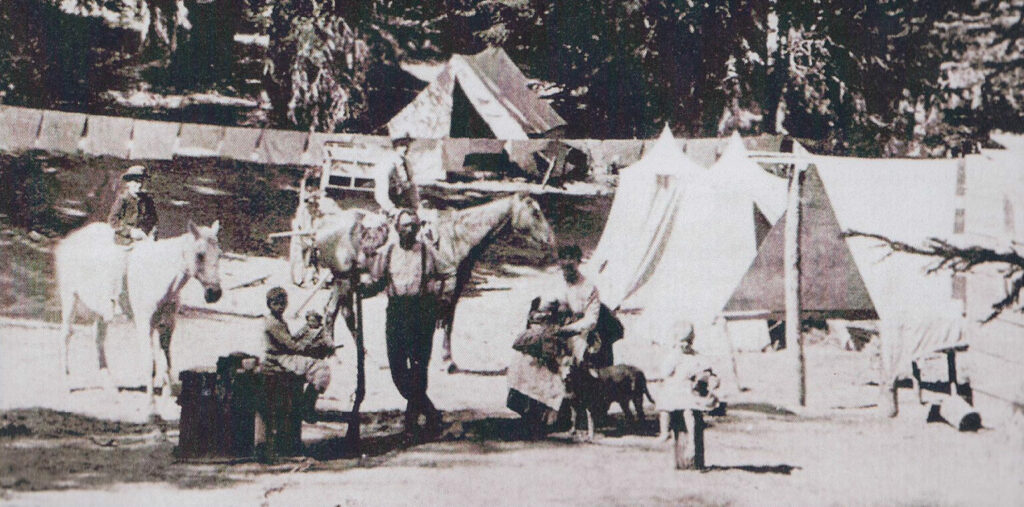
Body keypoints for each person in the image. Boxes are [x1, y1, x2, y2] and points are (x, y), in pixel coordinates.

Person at [362, 210, 445, 439]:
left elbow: (447, 273)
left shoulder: (428, 252)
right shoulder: (388, 252)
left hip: (422, 312)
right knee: (397, 367)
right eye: (404, 226)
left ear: (418, 228)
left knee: (419, 368)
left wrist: (441, 303)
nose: (409, 230)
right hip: (397, 312)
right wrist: (360, 291)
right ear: (396, 229)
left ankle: (412, 421)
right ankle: (429, 411)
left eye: (413, 226)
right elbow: (377, 281)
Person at [262, 287, 334, 423]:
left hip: (283, 356)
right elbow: (291, 345)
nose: (280, 307)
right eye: (275, 304)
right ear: (269, 305)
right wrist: (312, 348)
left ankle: (306, 404)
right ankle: (307, 407)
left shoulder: (277, 320)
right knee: (321, 368)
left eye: (282, 304)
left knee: (317, 366)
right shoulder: (273, 323)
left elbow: (291, 342)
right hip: (280, 358)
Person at [548, 245, 618, 368]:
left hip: (580, 331)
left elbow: (591, 320)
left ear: (578, 262)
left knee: (577, 356)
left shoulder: (588, 287)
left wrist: (568, 329)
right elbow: (544, 305)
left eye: (571, 263)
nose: (567, 265)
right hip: (556, 328)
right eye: (563, 261)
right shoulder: (555, 283)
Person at [655, 321, 720, 441]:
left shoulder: (696, 356)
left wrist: (709, 378)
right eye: (681, 342)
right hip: (674, 389)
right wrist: (675, 359)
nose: (685, 345)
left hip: (689, 390)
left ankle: (692, 438)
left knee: (689, 410)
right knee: (664, 407)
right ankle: (664, 432)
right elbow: (665, 373)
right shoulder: (673, 356)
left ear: (693, 340)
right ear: (675, 342)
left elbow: (708, 370)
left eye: (689, 341)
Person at [108, 165, 158, 246]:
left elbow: (152, 218)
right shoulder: (123, 199)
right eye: (135, 181)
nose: (139, 185)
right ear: (128, 183)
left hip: (142, 239)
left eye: (141, 181)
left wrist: (145, 231)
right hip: (124, 240)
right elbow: (113, 220)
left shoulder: (147, 200)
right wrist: (129, 231)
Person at [372, 132, 420, 216]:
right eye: (402, 145)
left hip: (404, 207)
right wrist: (392, 210)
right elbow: (381, 193)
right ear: (395, 146)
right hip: (388, 209)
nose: (405, 148)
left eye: (407, 145)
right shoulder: (386, 164)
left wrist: (415, 207)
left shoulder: (407, 163)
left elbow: (412, 187)